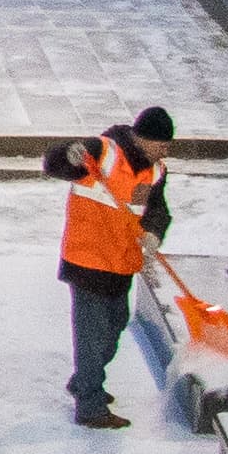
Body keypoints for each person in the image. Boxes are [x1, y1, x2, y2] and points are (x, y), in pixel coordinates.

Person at [54, 110, 171, 427]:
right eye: (161, 144)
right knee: (91, 338)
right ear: (143, 139)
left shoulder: (155, 172)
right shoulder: (102, 152)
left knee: (114, 328)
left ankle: (84, 382)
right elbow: (57, 163)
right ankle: (90, 407)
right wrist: (69, 153)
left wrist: (153, 232)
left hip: (121, 263)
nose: (166, 151)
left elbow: (156, 209)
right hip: (87, 260)